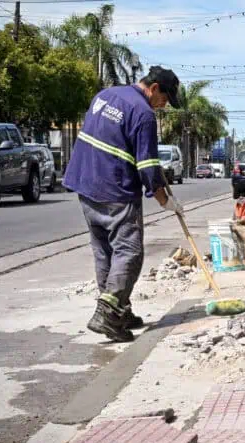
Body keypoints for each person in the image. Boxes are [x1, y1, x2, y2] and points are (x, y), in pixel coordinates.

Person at [63, 66, 183, 342]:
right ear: (154, 88)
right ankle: (108, 314)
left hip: (85, 183)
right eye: (165, 98)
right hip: (115, 190)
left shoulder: (106, 95)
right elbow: (148, 166)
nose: (164, 105)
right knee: (129, 252)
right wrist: (166, 201)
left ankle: (120, 310)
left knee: (105, 251)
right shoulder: (143, 114)